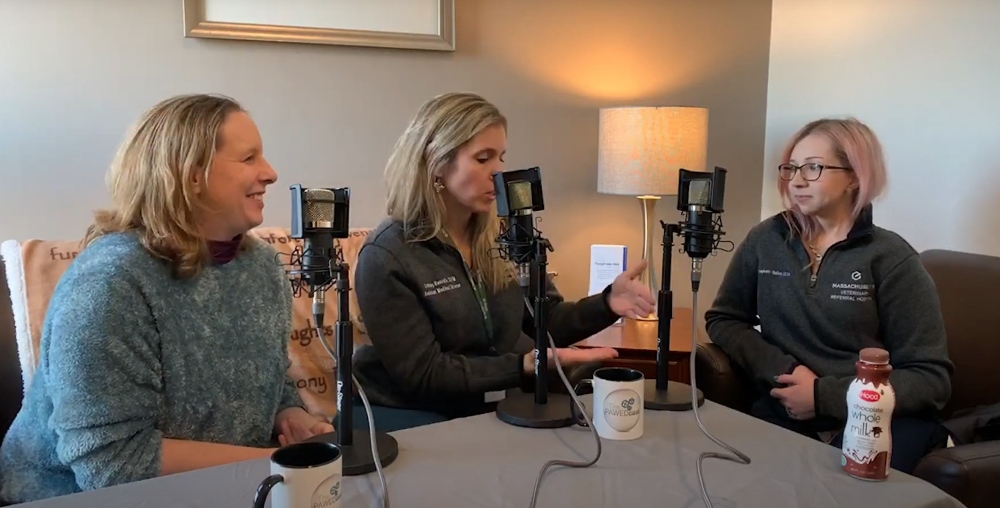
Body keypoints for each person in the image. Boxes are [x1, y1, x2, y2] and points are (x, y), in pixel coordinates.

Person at [0, 94, 332, 504]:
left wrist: (291, 417)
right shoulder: (110, 283)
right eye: (249, 159)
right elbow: (113, 464)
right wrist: (275, 462)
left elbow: (269, 381)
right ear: (190, 174)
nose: (270, 173)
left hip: (230, 485)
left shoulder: (260, 265)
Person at [350, 92, 655, 427]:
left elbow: (546, 321)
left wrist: (608, 303)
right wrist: (522, 366)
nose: (498, 174)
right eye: (483, 159)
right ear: (436, 163)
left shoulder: (505, 237)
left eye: (501, 158)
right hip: (410, 410)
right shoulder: (388, 255)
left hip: (493, 398)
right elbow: (424, 373)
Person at [704, 117, 954, 474]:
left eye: (813, 168)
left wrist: (824, 397)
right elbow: (724, 319)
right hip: (784, 410)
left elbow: (931, 379)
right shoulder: (767, 240)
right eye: (791, 168)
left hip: (874, 425)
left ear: (854, 176)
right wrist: (781, 370)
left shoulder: (891, 258)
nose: (796, 180)